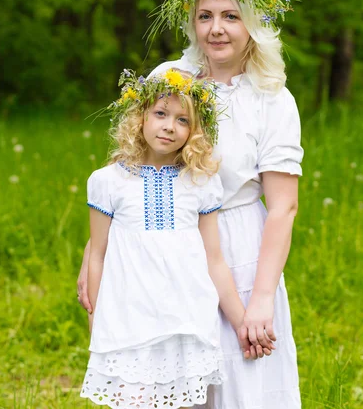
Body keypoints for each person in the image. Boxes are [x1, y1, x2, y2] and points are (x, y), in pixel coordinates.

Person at [78, 0, 304, 409]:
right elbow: (129, 171)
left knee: (242, 379)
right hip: (164, 252)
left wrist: (260, 299)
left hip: (237, 249)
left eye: (230, 17)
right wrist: (95, 256)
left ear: (253, 25)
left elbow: (283, 207)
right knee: (167, 385)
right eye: (205, 16)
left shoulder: (272, 98)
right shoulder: (168, 79)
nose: (216, 28)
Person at [80, 68, 249, 408]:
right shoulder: (108, 181)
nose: (169, 126)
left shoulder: (200, 183)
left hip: (185, 318)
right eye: (160, 113)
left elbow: (214, 260)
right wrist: (97, 322)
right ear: (140, 116)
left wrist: (243, 323)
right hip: (129, 318)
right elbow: (96, 255)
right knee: (133, 399)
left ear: (195, 131)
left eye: (183, 120)